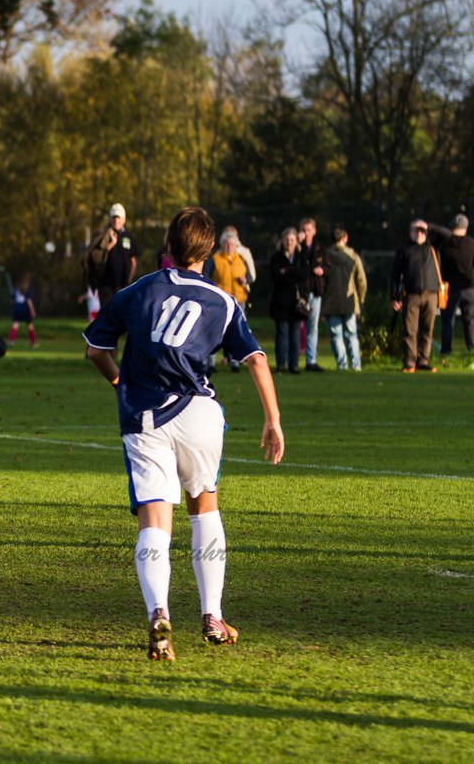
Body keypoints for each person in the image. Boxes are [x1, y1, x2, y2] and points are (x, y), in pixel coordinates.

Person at [83, 206, 284, 661]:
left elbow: (96, 349)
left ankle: (159, 613)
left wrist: (119, 381)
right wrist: (272, 419)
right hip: (199, 414)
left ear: (168, 246)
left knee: (156, 521)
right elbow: (255, 359)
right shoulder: (223, 301)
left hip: (145, 417)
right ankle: (212, 614)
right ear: (209, 251)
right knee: (203, 506)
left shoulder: (136, 292)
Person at [390, 218, 451, 373]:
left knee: (427, 329)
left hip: (431, 294)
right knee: (410, 330)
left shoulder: (432, 245)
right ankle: (409, 362)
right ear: (410, 232)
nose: (418, 233)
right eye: (415, 230)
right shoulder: (404, 249)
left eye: (421, 231)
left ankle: (423, 361)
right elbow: (395, 274)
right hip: (411, 295)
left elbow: (448, 235)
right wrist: (394, 297)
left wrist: (430, 226)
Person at [322, 228, 367, 371]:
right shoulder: (353, 256)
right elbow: (362, 281)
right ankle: (356, 365)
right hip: (350, 301)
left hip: (330, 302)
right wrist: (361, 300)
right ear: (345, 238)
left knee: (336, 336)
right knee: (352, 335)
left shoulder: (326, 256)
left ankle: (342, 365)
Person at [85, 203, 140, 307]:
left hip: (123, 285)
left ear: (124, 219)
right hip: (105, 285)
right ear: (110, 219)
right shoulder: (102, 236)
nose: (116, 221)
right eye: (114, 218)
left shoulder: (129, 237)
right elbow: (94, 256)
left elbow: (133, 262)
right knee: (107, 315)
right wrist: (110, 245)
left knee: (121, 316)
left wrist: (129, 281)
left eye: (118, 218)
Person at [209, 232, 249, 372]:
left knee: (236, 333)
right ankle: (211, 363)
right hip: (220, 301)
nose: (229, 246)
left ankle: (235, 362)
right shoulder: (215, 259)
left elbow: (248, 275)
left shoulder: (241, 259)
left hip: (238, 300)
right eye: (227, 243)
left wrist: (246, 280)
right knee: (215, 332)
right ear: (222, 245)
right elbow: (207, 276)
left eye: (232, 244)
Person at [269, 228, 307, 374]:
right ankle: (281, 365)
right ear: (282, 240)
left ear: (296, 241)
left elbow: (304, 274)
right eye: (286, 239)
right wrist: (291, 274)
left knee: (295, 335)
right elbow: (276, 276)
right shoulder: (276, 257)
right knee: (282, 334)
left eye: (292, 240)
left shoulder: (300, 257)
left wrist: (288, 271)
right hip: (280, 302)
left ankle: (294, 365)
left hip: (296, 304)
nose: (289, 242)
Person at [438, 214, 474, 360]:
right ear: (466, 227)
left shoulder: (444, 245)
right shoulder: (472, 244)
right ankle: (472, 350)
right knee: (470, 320)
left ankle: (446, 351)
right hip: (470, 288)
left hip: (447, 287)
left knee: (447, 321)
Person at [298, 218, 326, 372]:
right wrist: (299, 245)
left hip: (315, 291)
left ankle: (311, 360)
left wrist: (322, 271)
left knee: (312, 327)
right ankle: (292, 361)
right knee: (297, 326)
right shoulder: (297, 247)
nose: (306, 233)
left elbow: (328, 267)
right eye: (304, 230)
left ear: (314, 231)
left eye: (309, 230)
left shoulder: (320, 248)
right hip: (301, 293)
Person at [9, 274, 37, 348]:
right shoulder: (27, 290)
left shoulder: (16, 290)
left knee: (15, 325)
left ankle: (12, 341)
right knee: (30, 326)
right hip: (25, 309)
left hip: (17, 309)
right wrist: (32, 311)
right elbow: (29, 301)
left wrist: (15, 306)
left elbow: (11, 300)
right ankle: (33, 343)